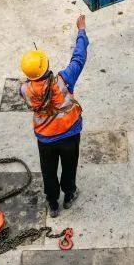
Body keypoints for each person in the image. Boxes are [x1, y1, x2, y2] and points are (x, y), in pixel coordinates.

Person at [19, 15, 88, 218]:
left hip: (46, 140)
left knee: (48, 171)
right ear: (46, 65)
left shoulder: (25, 90)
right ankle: (69, 195)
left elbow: (32, 91)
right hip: (69, 133)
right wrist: (81, 31)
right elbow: (79, 57)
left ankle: (53, 204)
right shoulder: (63, 81)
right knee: (70, 166)